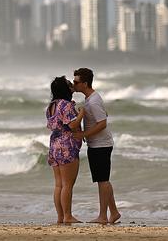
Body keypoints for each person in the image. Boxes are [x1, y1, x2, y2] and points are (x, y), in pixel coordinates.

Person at [72, 68, 121, 224]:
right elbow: (104, 115)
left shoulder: (93, 101)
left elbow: (102, 123)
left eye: (76, 82)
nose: (74, 84)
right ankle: (114, 213)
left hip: (101, 145)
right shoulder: (91, 99)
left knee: (103, 181)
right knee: (103, 180)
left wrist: (83, 135)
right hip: (97, 144)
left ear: (85, 83)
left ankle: (102, 216)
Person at [47, 76, 85, 224]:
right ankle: (68, 216)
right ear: (65, 89)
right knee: (68, 184)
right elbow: (72, 125)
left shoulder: (52, 106)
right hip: (67, 146)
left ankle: (60, 217)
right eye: (69, 84)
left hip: (54, 146)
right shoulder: (66, 105)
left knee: (58, 184)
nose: (71, 86)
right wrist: (82, 112)